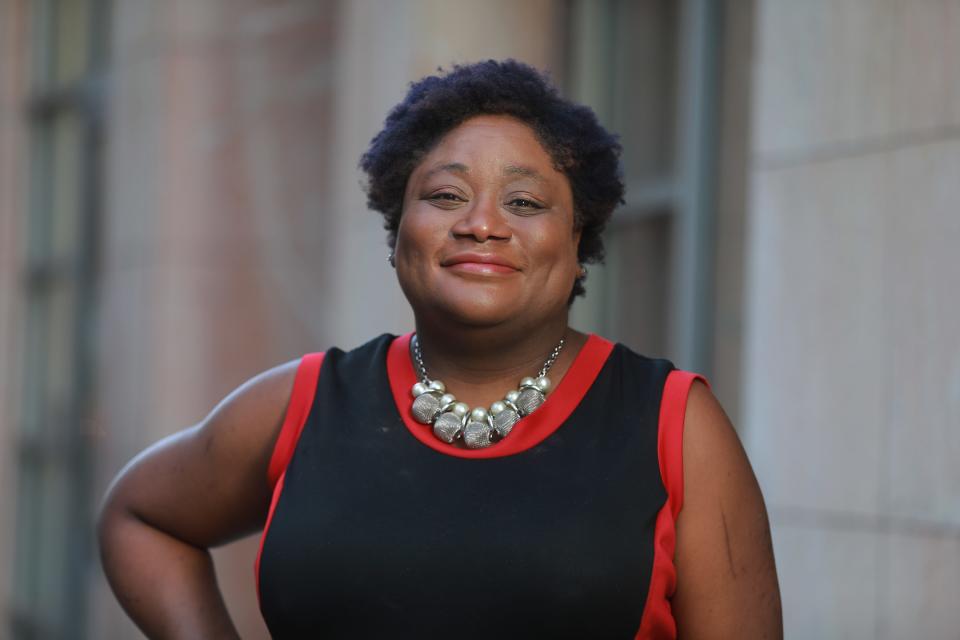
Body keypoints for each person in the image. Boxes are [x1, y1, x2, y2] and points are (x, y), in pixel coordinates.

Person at [98, 59, 782, 639]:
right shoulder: (301, 404)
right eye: (447, 194)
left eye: (524, 202)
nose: (481, 224)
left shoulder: (674, 427)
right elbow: (141, 517)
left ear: (579, 247)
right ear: (400, 234)